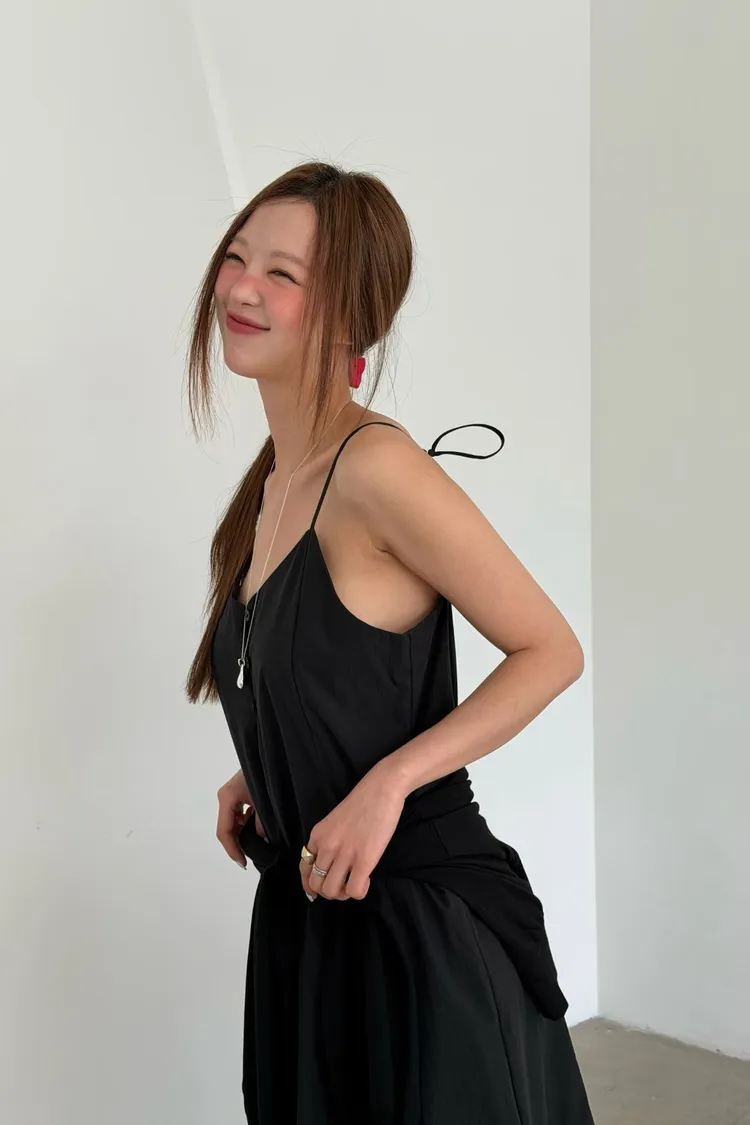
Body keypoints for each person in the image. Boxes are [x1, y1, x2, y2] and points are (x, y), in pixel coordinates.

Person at [184, 161, 595, 1124]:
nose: (242, 287)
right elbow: (333, 664)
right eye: (237, 257)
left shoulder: (378, 470)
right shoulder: (273, 484)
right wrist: (273, 761)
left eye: (283, 273)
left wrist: (385, 783)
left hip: (420, 934)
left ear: (349, 314)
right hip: (314, 919)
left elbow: (551, 649)